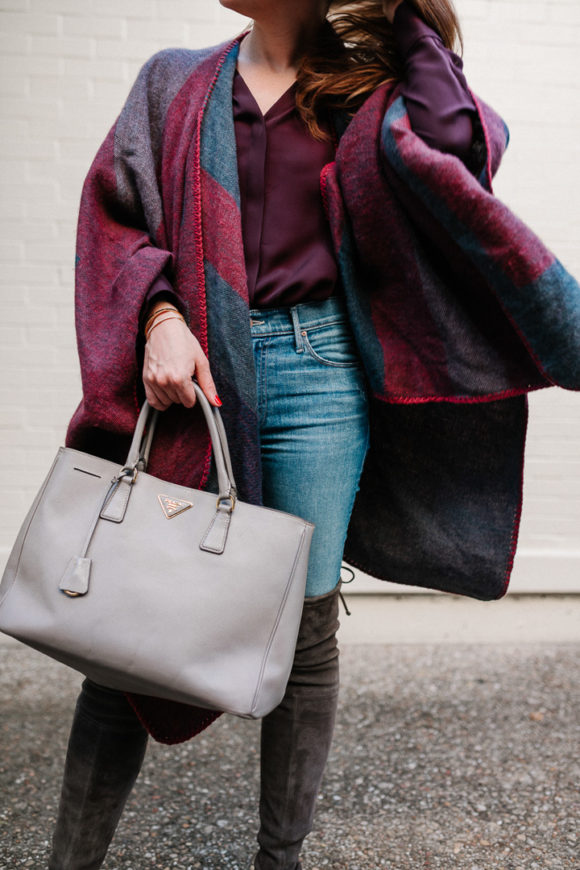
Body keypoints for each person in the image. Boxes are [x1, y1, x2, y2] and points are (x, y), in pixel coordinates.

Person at [49, 0, 580, 868]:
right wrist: (157, 317)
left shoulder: (365, 92)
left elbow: (460, 141)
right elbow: (115, 216)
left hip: (317, 370)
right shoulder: (174, 83)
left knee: (302, 623)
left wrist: (406, 16)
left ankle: (279, 858)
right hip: (195, 368)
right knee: (128, 624)